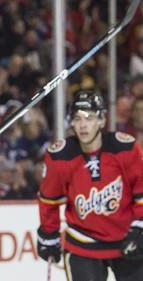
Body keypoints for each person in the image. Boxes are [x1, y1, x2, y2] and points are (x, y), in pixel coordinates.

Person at [36, 89, 143, 281]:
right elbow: (49, 200)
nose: (83, 125)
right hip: (83, 244)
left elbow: (141, 192)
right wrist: (48, 232)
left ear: (102, 121)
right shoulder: (61, 156)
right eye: (77, 119)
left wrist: (140, 224)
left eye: (90, 118)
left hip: (126, 240)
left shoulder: (125, 149)